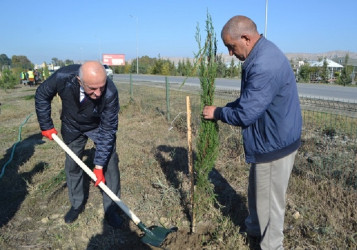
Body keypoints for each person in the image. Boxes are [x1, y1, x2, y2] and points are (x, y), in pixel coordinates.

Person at [202, 16, 302, 249]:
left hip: (274, 146)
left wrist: (218, 113)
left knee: (270, 204)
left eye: (231, 46)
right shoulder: (261, 54)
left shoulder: (264, 64)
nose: (229, 53)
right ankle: (254, 230)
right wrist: (226, 108)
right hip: (271, 139)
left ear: (246, 38)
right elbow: (252, 101)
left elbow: (246, 114)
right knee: (258, 191)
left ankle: (270, 245)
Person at [35, 61, 122, 228]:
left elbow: (108, 129)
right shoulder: (62, 77)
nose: (98, 93)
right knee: (73, 164)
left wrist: (98, 166)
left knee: (110, 162)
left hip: (98, 126)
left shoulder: (110, 92)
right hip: (72, 125)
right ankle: (76, 204)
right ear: (79, 81)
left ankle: (111, 208)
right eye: (92, 88)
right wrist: (46, 125)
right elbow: (41, 94)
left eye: (101, 88)